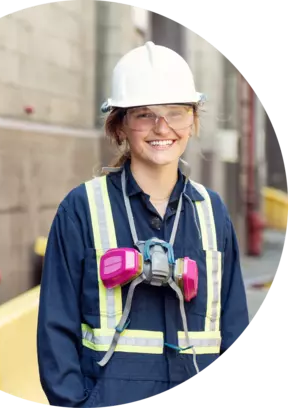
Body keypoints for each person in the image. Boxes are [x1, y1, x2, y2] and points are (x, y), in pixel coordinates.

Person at [37, 41, 250, 408]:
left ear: (193, 121)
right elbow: (56, 331)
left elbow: (234, 326)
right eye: (144, 114)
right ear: (119, 125)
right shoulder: (82, 209)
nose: (162, 127)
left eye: (176, 112)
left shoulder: (212, 212)